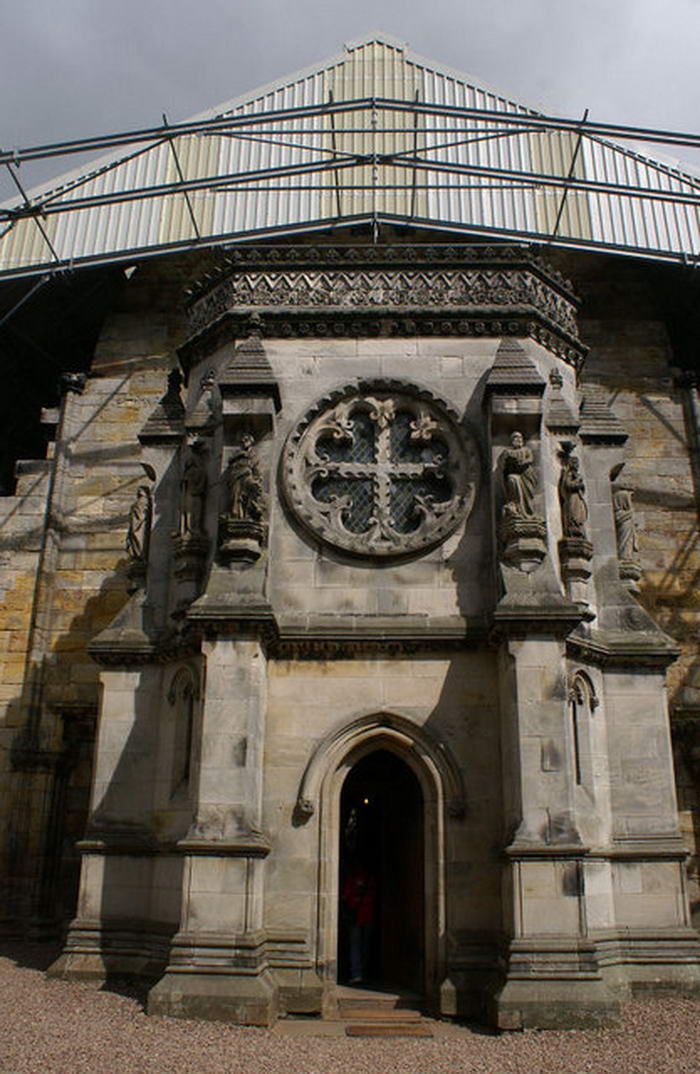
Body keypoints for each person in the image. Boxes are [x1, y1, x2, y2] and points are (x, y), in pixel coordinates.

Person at [342, 862, 376, 985]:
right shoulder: (371, 880)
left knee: (355, 946)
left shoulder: (351, 879)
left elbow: (345, 897)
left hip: (356, 916)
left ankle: (357, 974)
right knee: (365, 946)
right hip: (368, 916)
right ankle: (364, 974)